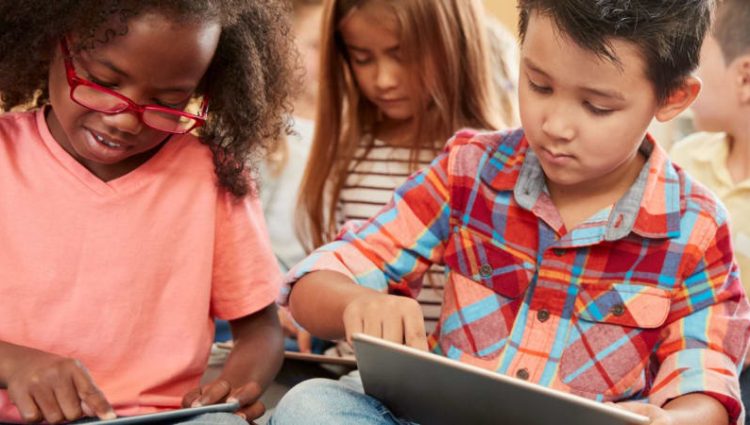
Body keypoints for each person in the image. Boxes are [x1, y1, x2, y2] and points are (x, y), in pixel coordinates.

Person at [272, 0, 750, 424]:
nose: (555, 125)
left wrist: (673, 419)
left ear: (672, 98)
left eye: (597, 106)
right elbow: (316, 281)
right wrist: (356, 303)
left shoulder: (696, 228)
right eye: (539, 85)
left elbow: (706, 377)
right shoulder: (470, 169)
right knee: (311, 404)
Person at [0, 1, 295, 423]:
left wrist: (232, 389)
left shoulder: (214, 176)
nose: (125, 122)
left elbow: (260, 330)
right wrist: (14, 364)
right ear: (53, 43)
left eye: (168, 100)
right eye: (103, 81)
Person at [286, 0, 512, 354]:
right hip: (353, 368)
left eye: (403, 55)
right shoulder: (346, 152)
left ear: (453, 44)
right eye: (363, 58)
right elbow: (337, 271)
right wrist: (317, 311)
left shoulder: (490, 166)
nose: (384, 80)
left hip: (448, 375)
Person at [668, 0, 750, 411]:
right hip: (681, 352)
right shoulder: (686, 159)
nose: (685, 73)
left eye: (696, 57)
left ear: (746, 77)